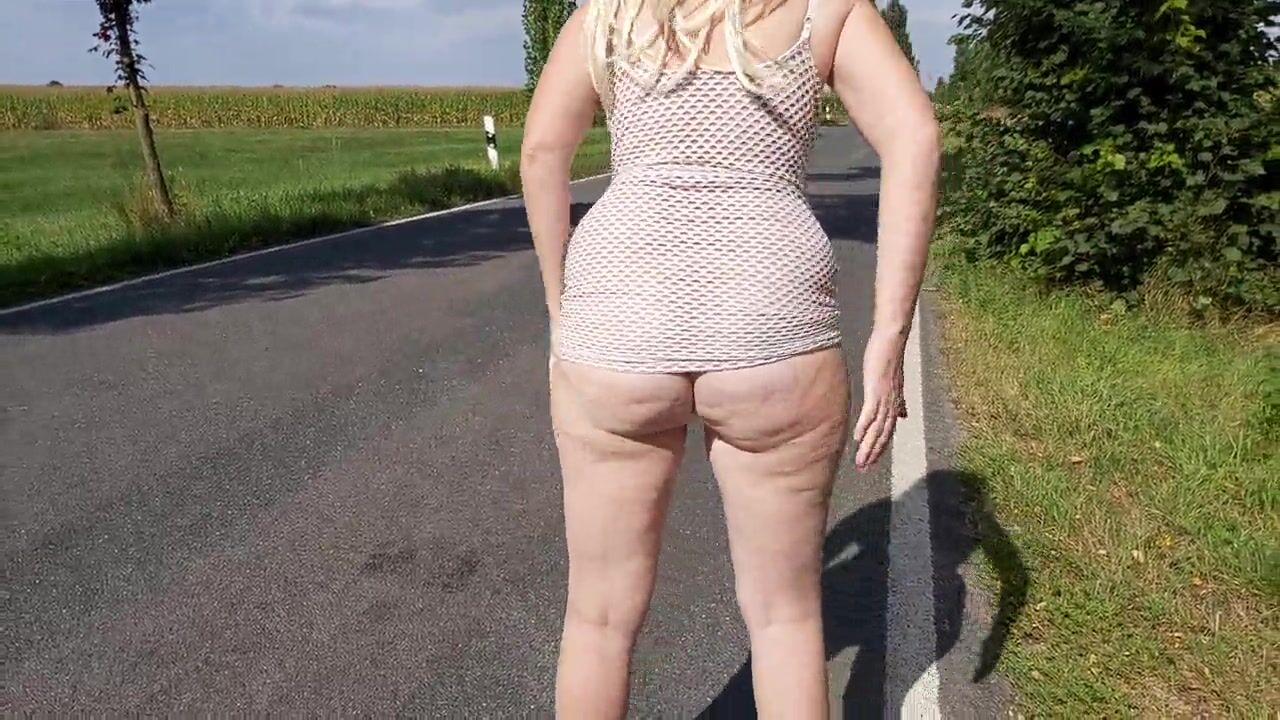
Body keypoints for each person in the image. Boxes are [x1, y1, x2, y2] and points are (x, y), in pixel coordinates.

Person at [520, 0, 939, 716]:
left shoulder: (605, 11)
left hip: (617, 331)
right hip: (774, 330)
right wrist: (889, 334)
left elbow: (541, 152)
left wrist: (565, 312)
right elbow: (915, 135)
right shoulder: (826, 8)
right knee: (785, 620)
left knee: (598, 619)